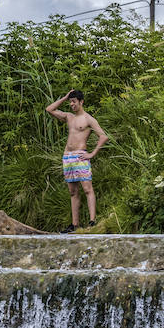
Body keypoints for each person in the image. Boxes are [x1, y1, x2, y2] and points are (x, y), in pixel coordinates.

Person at [46, 89, 109, 233]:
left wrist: (92, 153)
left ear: (81, 102)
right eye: (70, 102)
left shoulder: (88, 119)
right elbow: (49, 109)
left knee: (87, 189)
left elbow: (103, 136)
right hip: (67, 157)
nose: (72, 104)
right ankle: (74, 225)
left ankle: (92, 222)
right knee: (73, 192)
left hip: (81, 156)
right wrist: (65, 96)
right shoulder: (69, 117)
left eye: (74, 102)